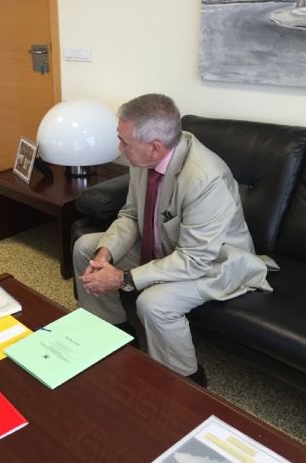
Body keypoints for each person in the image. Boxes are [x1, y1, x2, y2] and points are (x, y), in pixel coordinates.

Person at [73, 94, 272, 387]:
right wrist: (105, 253)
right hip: (168, 247)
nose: (119, 148)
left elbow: (195, 259)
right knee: (86, 248)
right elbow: (131, 214)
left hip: (215, 262)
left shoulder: (205, 178)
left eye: (124, 142)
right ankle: (115, 333)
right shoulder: (143, 157)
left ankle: (187, 381)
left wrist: (124, 278)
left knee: (154, 303)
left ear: (155, 147)